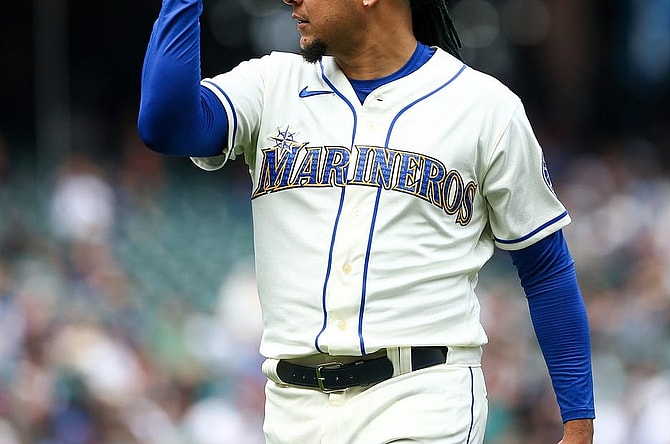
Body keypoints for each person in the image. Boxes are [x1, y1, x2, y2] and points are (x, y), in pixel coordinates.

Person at [137, 0, 596, 442]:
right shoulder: (269, 84)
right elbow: (165, 125)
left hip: (422, 398)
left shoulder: (484, 107)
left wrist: (578, 423)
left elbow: (546, 270)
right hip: (292, 408)